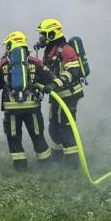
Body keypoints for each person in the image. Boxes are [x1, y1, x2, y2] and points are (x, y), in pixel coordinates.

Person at [0, 31, 52, 171]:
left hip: (12, 109)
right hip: (32, 108)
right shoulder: (35, 62)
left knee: (14, 137)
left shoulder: (3, 64)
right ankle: (46, 166)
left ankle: (20, 168)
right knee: (37, 135)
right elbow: (49, 78)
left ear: (10, 45)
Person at [35, 18, 84, 169]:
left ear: (52, 34)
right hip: (56, 96)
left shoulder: (66, 49)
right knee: (54, 127)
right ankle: (58, 156)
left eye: (44, 34)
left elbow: (73, 72)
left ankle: (73, 162)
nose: (41, 38)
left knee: (66, 127)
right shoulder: (49, 51)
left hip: (69, 95)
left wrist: (54, 84)